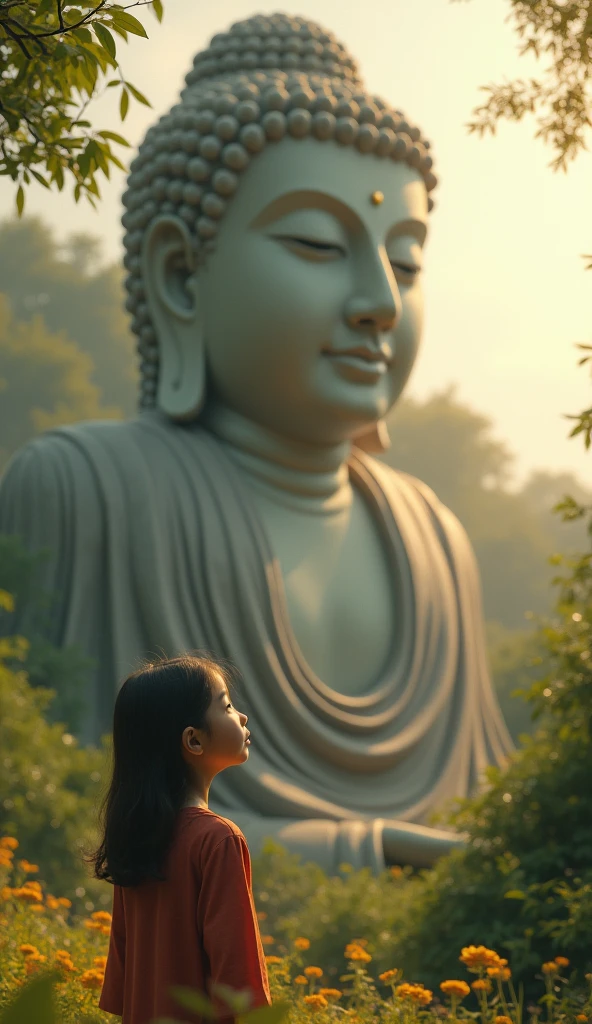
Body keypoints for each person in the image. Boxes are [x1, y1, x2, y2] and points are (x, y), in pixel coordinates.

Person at [0, 12, 513, 875]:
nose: (380, 302)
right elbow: (53, 816)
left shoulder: (437, 541)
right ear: (179, 274)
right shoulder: (84, 490)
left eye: (408, 259)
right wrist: (368, 851)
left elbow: (496, 818)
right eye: (317, 242)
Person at [91, 654, 271, 1024]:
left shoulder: (137, 838)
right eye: (227, 706)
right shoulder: (217, 840)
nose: (243, 717)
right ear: (194, 740)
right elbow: (239, 991)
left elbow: (122, 988)